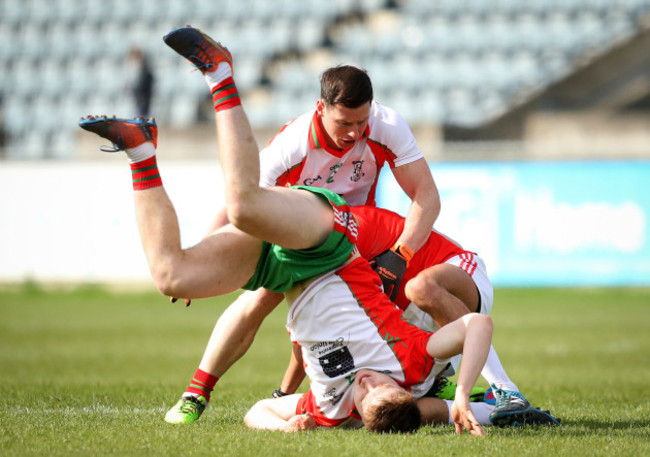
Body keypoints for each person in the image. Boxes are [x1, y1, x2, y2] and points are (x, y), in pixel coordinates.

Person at [77, 27, 494, 435]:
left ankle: (140, 150)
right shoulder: (412, 364)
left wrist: (288, 421)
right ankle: (220, 75)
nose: (368, 384)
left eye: (365, 397)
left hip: (297, 263)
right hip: (330, 237)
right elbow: (476, 326)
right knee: (244, 211)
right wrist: (465, 398)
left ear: (359, 413)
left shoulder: (333, 407)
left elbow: (270, 401)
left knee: (172, 275)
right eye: (383, 388)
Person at [161, 27, 444, 425]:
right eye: (344, 122)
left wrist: (402, 254)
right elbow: (242, 206)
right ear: (320, 108)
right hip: (304, 235)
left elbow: (427, 198)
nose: (354, 133)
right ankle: (197, 392)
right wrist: (207, 256)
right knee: (261, 299)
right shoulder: (293, 144)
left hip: (356, 241)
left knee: (405, 295)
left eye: (361, 122)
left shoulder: (385, 125)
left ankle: (443, 385)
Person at [124, 47, 155, 117]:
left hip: (141, 104)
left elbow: (143, 89)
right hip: (135, 103)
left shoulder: (145, 73)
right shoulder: (132, 72)